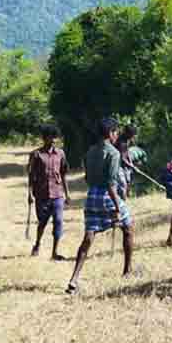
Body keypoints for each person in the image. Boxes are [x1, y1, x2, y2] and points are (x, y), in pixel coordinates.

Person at [66, 118, 134, 295]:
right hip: (107, 196)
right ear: (111, 133)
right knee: (128, 228)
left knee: (88, 237)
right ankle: (127, 271)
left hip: (91, 196)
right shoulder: (113, 153)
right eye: (116, 132)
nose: (117, 135)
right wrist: (118, 207)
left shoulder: (90, 151)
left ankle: (74, 279)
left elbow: (87, 178)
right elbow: (112, 184)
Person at [27, 124, 70, 260]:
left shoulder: (61, 154)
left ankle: (54, 252)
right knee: (42, 222)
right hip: (41, 194)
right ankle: (37, 244)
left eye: (55, 138)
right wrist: (29, 194)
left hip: (57, 194)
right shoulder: (36, 155)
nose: (54, 141)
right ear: (44, 138)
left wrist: (67, 194)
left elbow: (63, 174)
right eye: (51, 137)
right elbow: (31, 176)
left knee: (58, 221)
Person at [116, 125, 138, 199]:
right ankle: (122, 200)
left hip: (125, 163)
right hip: (117, 164)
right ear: (128, 134)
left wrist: (131, 162)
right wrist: (131, 166)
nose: (133, 137)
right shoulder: (121, 142)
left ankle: (126, 196)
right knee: (123, 183)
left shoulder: (127, 140)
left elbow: (126, 152)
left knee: (128, 180)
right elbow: (122, 158)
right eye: (132, 135)